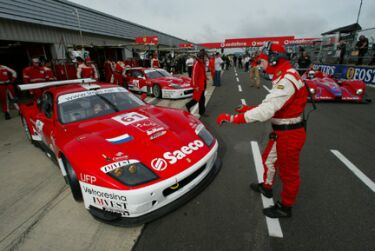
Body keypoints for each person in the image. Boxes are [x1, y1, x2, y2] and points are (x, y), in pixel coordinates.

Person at [216, 42, 308, 218]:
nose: (260, 65)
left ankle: (285, 206)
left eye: (263, 61)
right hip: (283, 130)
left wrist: (233, 118)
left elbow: (267, 110)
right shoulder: (286, 75)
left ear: (274, 60)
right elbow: (273, 105)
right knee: (268, 160)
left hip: (289, 134)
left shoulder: (286, 79)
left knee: (289, 173)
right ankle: (267, 187)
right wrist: (248, 109)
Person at [185, 49, 207, 116]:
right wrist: (195, 86)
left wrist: (205, 78)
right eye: (204, 57)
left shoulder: (201, 63)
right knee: (197, 99)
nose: (205, 58)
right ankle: (188, 105)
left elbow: (202, 73)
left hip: (202, 83)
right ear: (201, 57)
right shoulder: (197, 64)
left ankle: (201, 112)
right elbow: (194, 76)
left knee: (201, 98)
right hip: (198, 85)